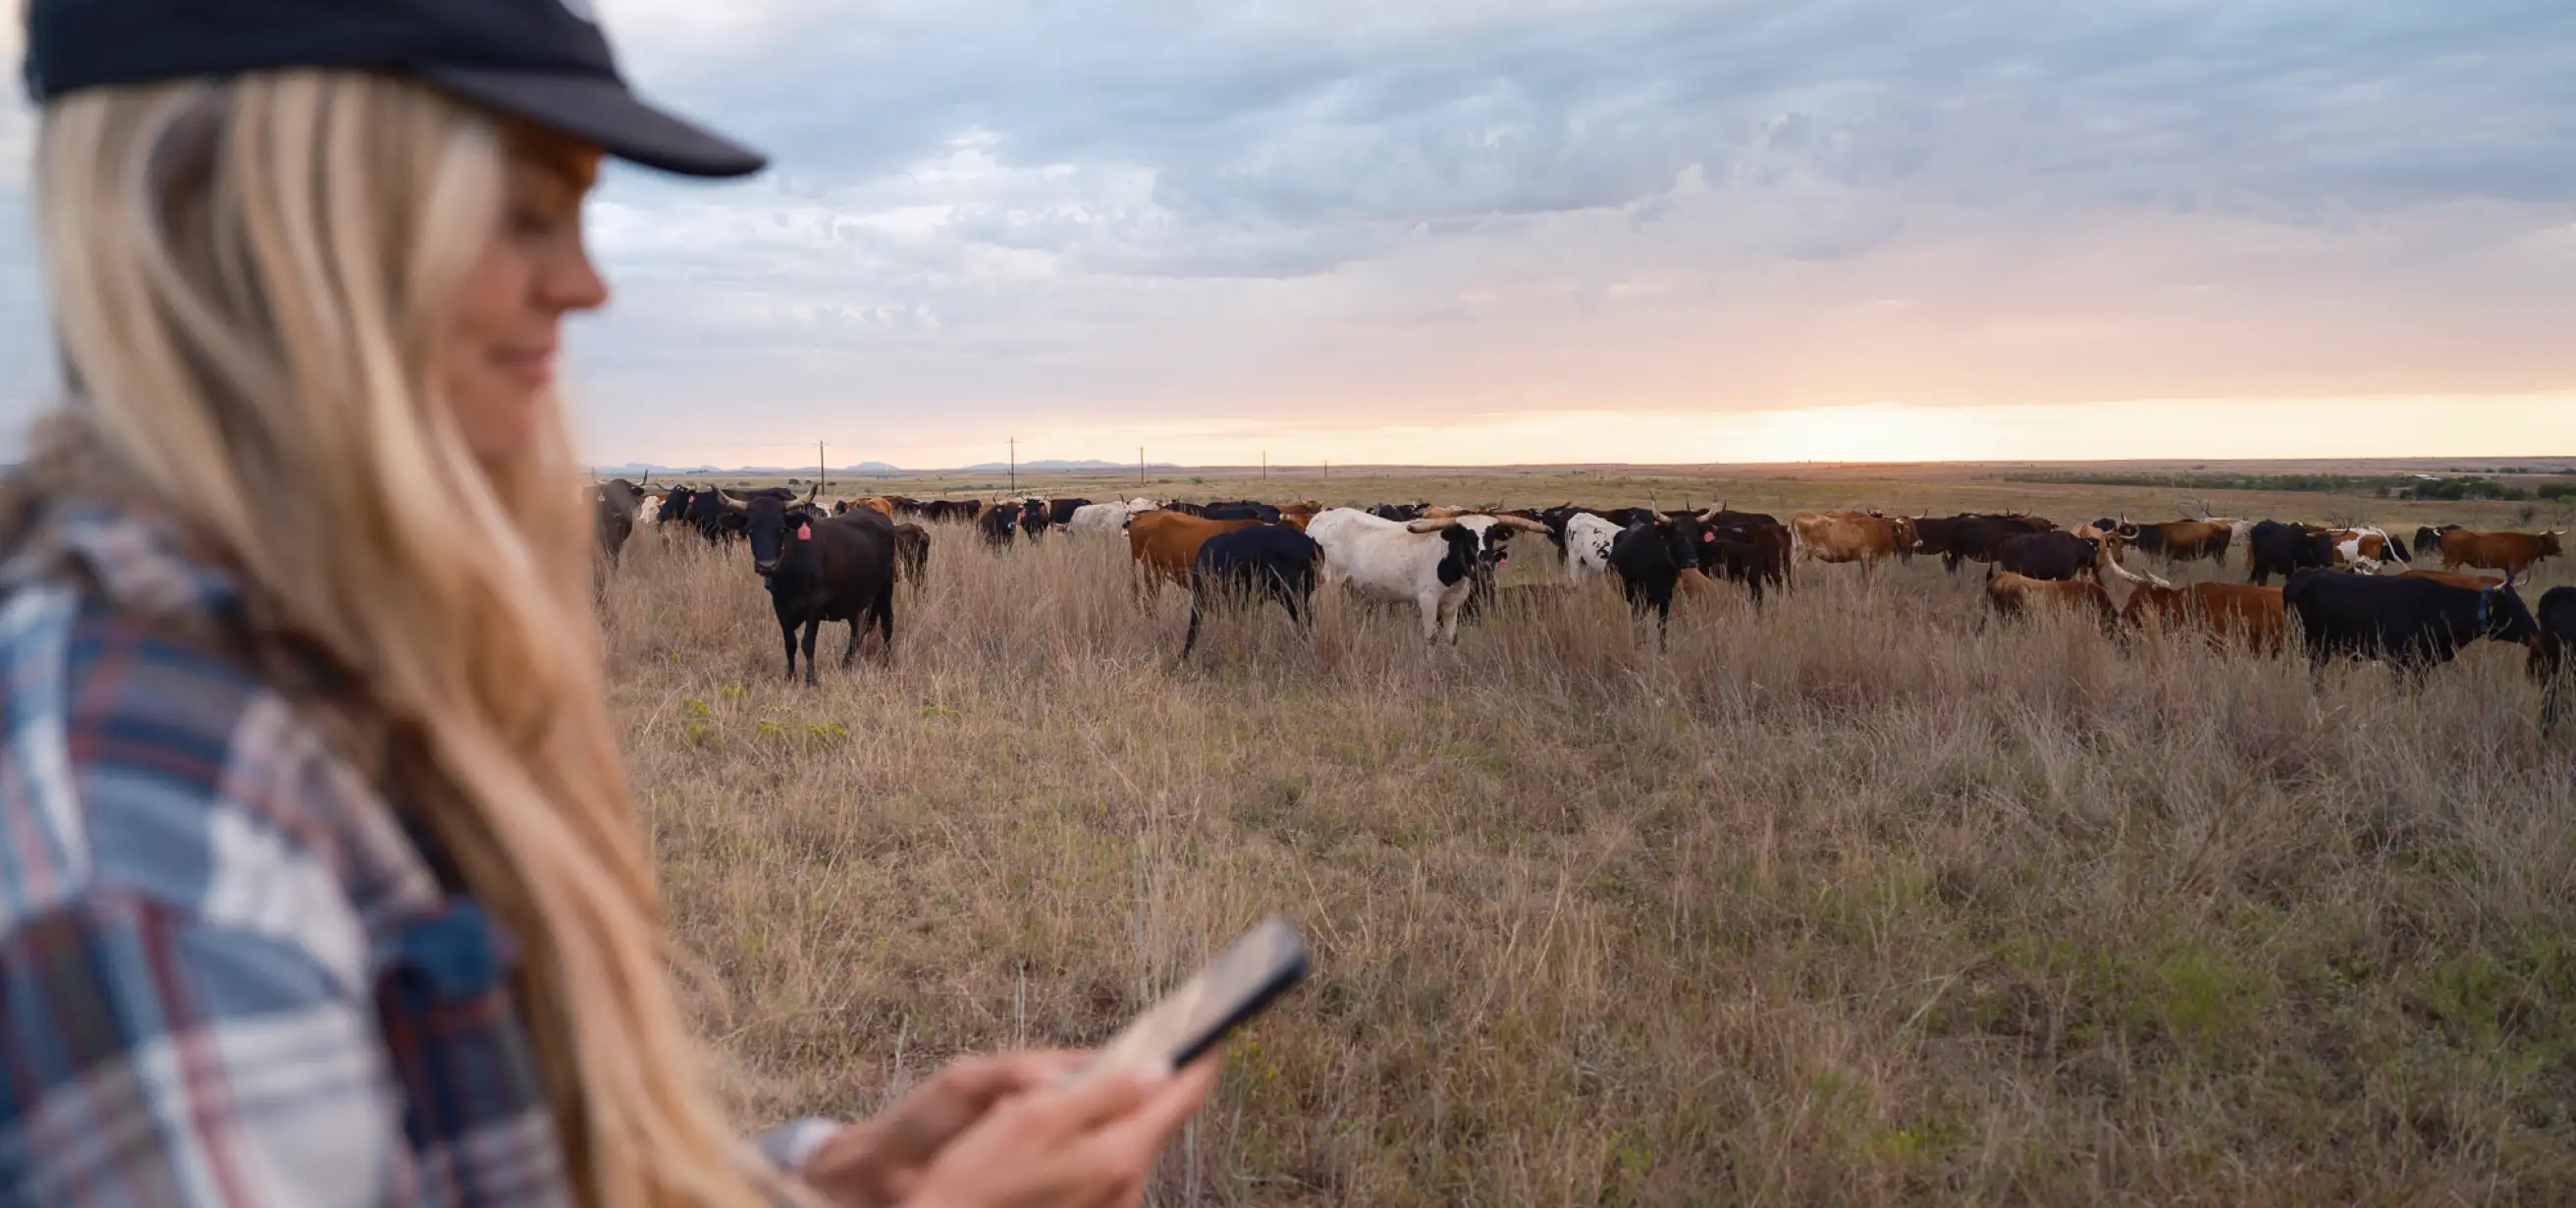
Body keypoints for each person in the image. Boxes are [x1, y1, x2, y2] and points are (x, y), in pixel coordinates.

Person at [0, 1, 1216, 1204]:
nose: (586, 286)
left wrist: (830, 1184)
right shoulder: (139, 831)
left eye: (583, 215)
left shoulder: (321, 657)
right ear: (276, 228)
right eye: (524, 215)